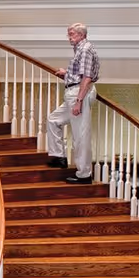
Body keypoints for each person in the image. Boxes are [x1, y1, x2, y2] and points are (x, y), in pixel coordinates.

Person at [46, 22, 101, 185]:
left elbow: (87, 78)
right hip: (73, 92)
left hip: (78, 93)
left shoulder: (85, 50)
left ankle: (84, 175)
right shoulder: (81, 49)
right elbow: (80, 74)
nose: (70, 37)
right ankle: (58, 157)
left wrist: (79, 101)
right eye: (69, 34)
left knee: (80, 136)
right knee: (53, 120)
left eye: (73, 34)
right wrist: (67, 73)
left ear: (82, 35)